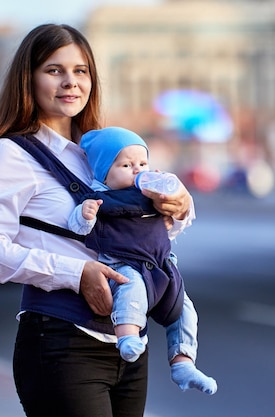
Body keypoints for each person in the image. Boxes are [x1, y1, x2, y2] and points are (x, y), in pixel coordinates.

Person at [0, 24, 196, 417]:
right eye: (54, 70)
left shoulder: (103, 150)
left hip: (126, 345)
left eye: (81, 70)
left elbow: (145, 227)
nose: (70, 82)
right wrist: (76, 273)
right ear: (29, 78)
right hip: (61, 342)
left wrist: (182, 204)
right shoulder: (10, 155)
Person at [68, 126, 217, 395]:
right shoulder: (99, 197)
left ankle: (183, 362)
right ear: (103, 172)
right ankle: (127, 337)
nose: (137, 170)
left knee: (184, 308)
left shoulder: (152, 195)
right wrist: (84, 215)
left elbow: (170, 229)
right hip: (124, 263)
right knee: (131, 288)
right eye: (126, 165)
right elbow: (77, 228)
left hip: (161, 267)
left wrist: (174, 209)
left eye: (142, 163)